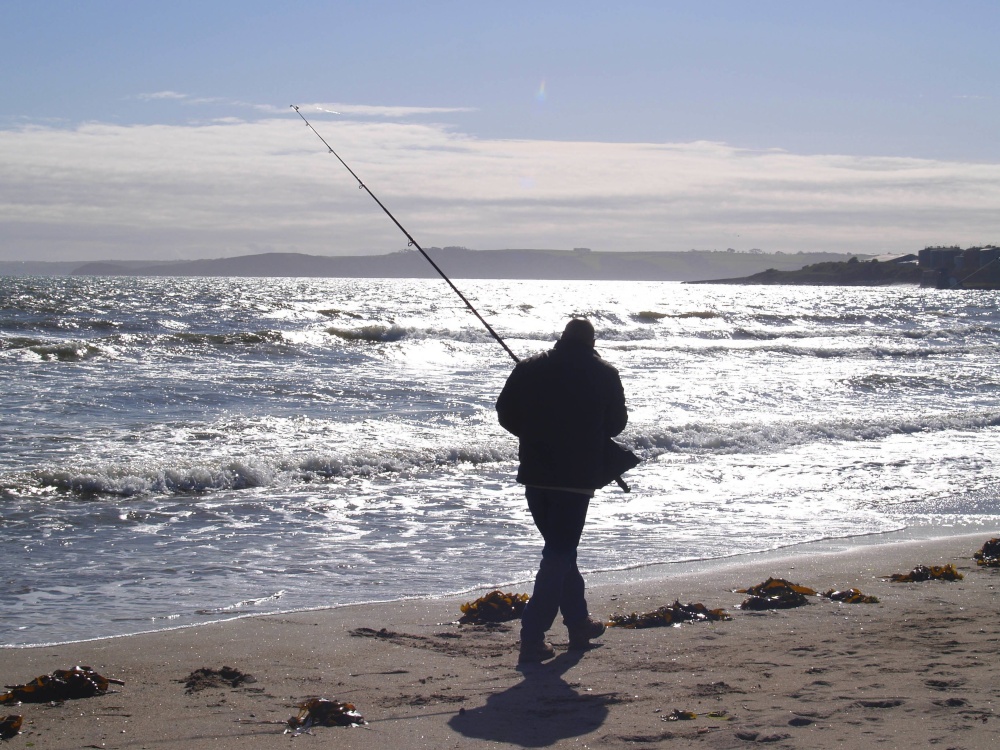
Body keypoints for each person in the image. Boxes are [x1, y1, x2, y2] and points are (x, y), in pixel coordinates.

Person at [496, 318, 629, 663]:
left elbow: (505, 413)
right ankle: (532, 636)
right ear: (591, 342)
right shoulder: (605, 374)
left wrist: (536, 434)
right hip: (576, 478)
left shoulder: (529, 368)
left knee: (561, 552)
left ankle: (578, 624)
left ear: (562, 338)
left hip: (535, 473)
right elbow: (616, 424)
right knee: (558, 555)